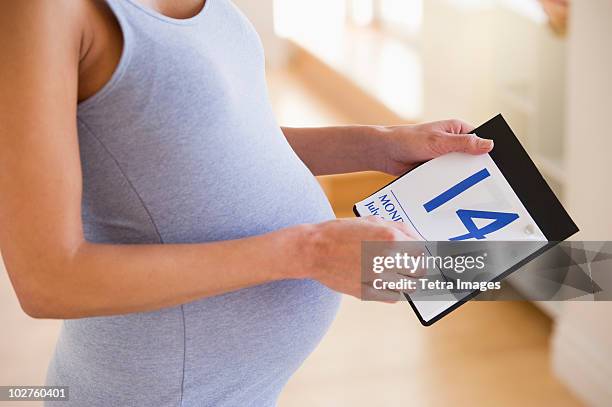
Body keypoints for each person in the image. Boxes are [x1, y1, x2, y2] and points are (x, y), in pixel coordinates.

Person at [0, 0, 493, 405]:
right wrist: (306, 251)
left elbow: (213, 144)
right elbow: (48, 280)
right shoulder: (39, 11)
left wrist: (378, 143)